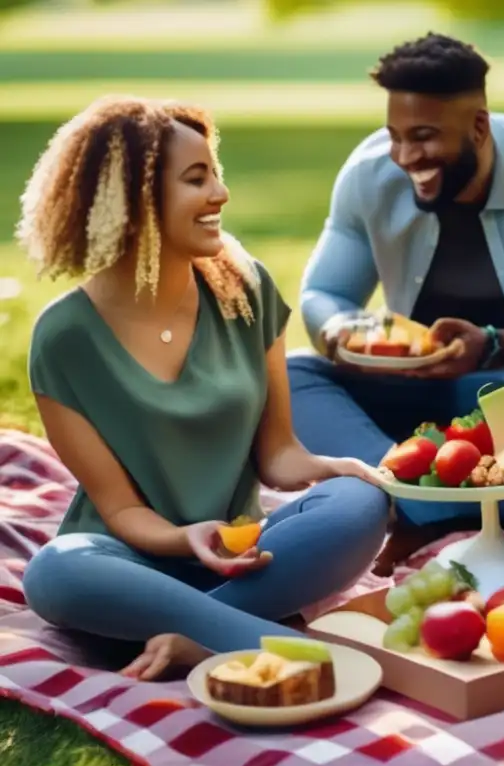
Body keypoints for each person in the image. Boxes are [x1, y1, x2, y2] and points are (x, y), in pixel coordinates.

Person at [16, 95, 390, 680]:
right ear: (133, 200)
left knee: (358, 501)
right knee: (53, 571)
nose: (220, 193)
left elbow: (278, 456)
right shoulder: (64, 338)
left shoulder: (244, 289)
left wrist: (331, 468)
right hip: (129, 560)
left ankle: (193, 636)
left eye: (215, 173)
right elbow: (116, 508)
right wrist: (182, 537)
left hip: (247, 551)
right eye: (197, 179)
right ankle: (261, 639)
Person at [287, 33, 504, 568]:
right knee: (290, 378)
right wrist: (339, 332)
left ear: (479, 126)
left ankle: (406, 509)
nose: (404, 157)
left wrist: (491, 345)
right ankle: (438, 497)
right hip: (412, 390)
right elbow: (324, 294)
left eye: (423, 137)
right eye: (395, 136)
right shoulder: (368, 174)